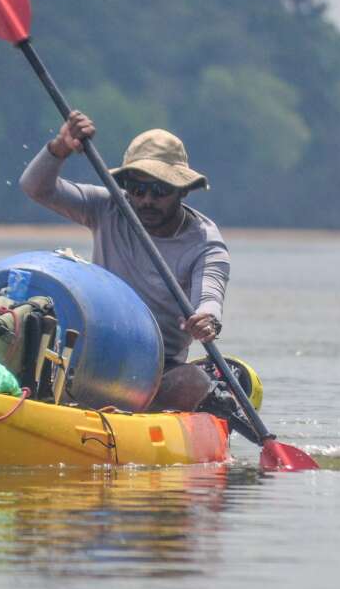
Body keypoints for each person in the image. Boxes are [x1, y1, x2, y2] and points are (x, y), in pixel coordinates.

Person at [20, 110, 230, 413]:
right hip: (93, 350)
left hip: (160, 366)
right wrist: (61, 147)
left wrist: (207, 321)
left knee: (193, 384)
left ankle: (142, 410)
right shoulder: (108, 207)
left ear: (182, 191)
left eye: (159, 191)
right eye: (138, 189)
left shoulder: (205, 242)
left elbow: (210, 297)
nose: (146, 200)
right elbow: (36, 188)